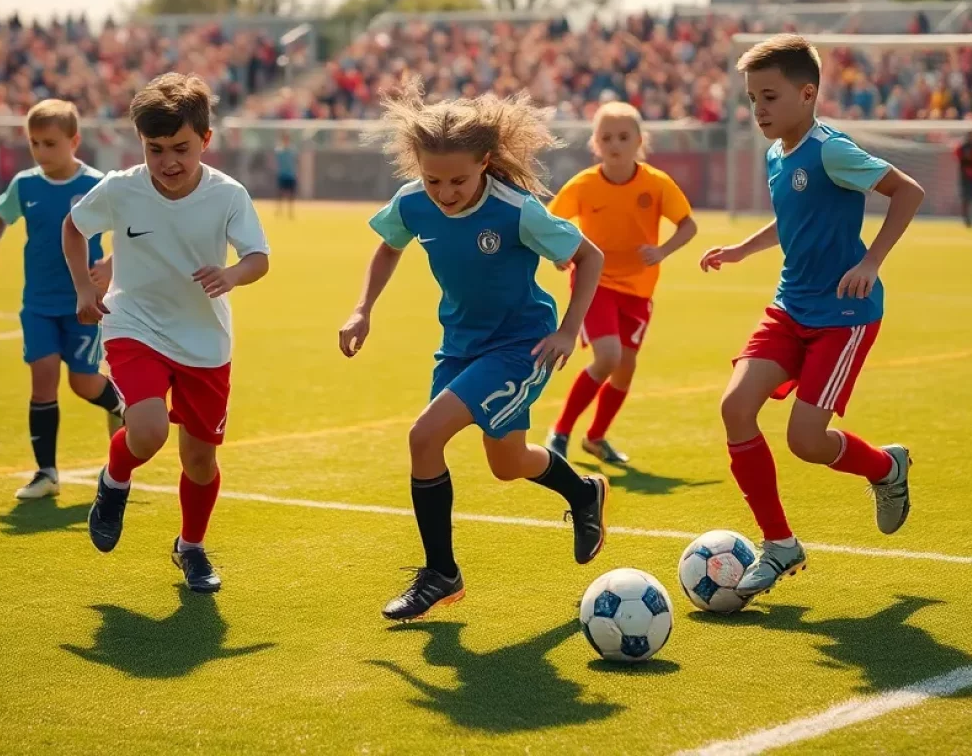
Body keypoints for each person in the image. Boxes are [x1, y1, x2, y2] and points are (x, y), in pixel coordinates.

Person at [339, 84, 609, 622]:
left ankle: (441, 574)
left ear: (485, 162)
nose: (444, 192)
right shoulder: (413, 201)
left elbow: (590, 256)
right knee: (508, 463)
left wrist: (568, 330)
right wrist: (362, 308)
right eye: (434, 179)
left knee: (424, 436)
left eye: (458, 180)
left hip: (518, 346)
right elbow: (388, 246)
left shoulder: (515, 210)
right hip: (459, 346)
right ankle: (583, 492)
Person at [699, 34, 924, 598]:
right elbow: (790, 220)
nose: (759, 110)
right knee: (734, 407)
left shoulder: (831, 149)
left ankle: (884, 469)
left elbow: (908, 192)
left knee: (806, 440)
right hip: (789, 306)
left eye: (770, 97)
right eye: (752, 99)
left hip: (843, 315)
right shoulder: (778, 154)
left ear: (808, 93)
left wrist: (871, 261)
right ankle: (779, 546)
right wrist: (740, 251)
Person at [63, 74, 270, 593]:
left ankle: (191, 548)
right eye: (156, 149)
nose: (168, 161)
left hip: (205, 340)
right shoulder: (121, 188)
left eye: (181, 147)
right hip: (134, 323)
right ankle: (115, 480)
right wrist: (85, 292)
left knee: (199, 460)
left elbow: (258, 258)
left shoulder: (228, 195)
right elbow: (74, 227)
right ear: (142, 145)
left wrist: (232, 275)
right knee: (149, 429)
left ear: (205, 140)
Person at [0, 100, 124, 500]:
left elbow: (132, 228)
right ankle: (46, 473)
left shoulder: (97, 185)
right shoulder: (25, 184)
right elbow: (2, 215)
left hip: (85, 304)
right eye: (34, 144)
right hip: (39, 304)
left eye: (50, 143)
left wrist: (111, 265)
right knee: (42, 380)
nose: (41, 153)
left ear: (74, 141)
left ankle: (119, 407)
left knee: (82, 383)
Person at [545, 102, 697, 464]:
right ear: (595, 144)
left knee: (625, 367)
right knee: (609, 356)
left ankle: (595, 438)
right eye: (606, 137)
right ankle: (560, 432)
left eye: (623, 137)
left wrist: (662, 251)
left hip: (639, 290)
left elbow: (688, 225)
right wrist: (558, 254)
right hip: (594, 285)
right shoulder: (583, 185)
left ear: (640, 141)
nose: (615, 144)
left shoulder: (656, 183)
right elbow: (549, 225)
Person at [275, 132, 299, 218]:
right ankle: (279, 211)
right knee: (280, 194)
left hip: (291, 175)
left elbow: (296, 162)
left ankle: (290, 212)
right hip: (282, 175)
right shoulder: (279, 150)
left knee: (291, 195)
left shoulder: (292, 151)